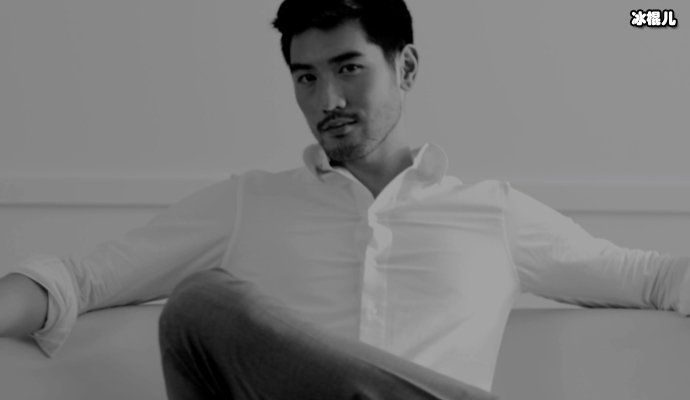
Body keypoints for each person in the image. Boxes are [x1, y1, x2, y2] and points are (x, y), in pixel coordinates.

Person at [1, 0, 689, 399]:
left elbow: (651, 277)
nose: (326, 99)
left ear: (405, 67)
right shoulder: (248, 203)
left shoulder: (492, 213)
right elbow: (82, 279)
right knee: (201, 304)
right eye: (305, 78)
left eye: (348, 68)